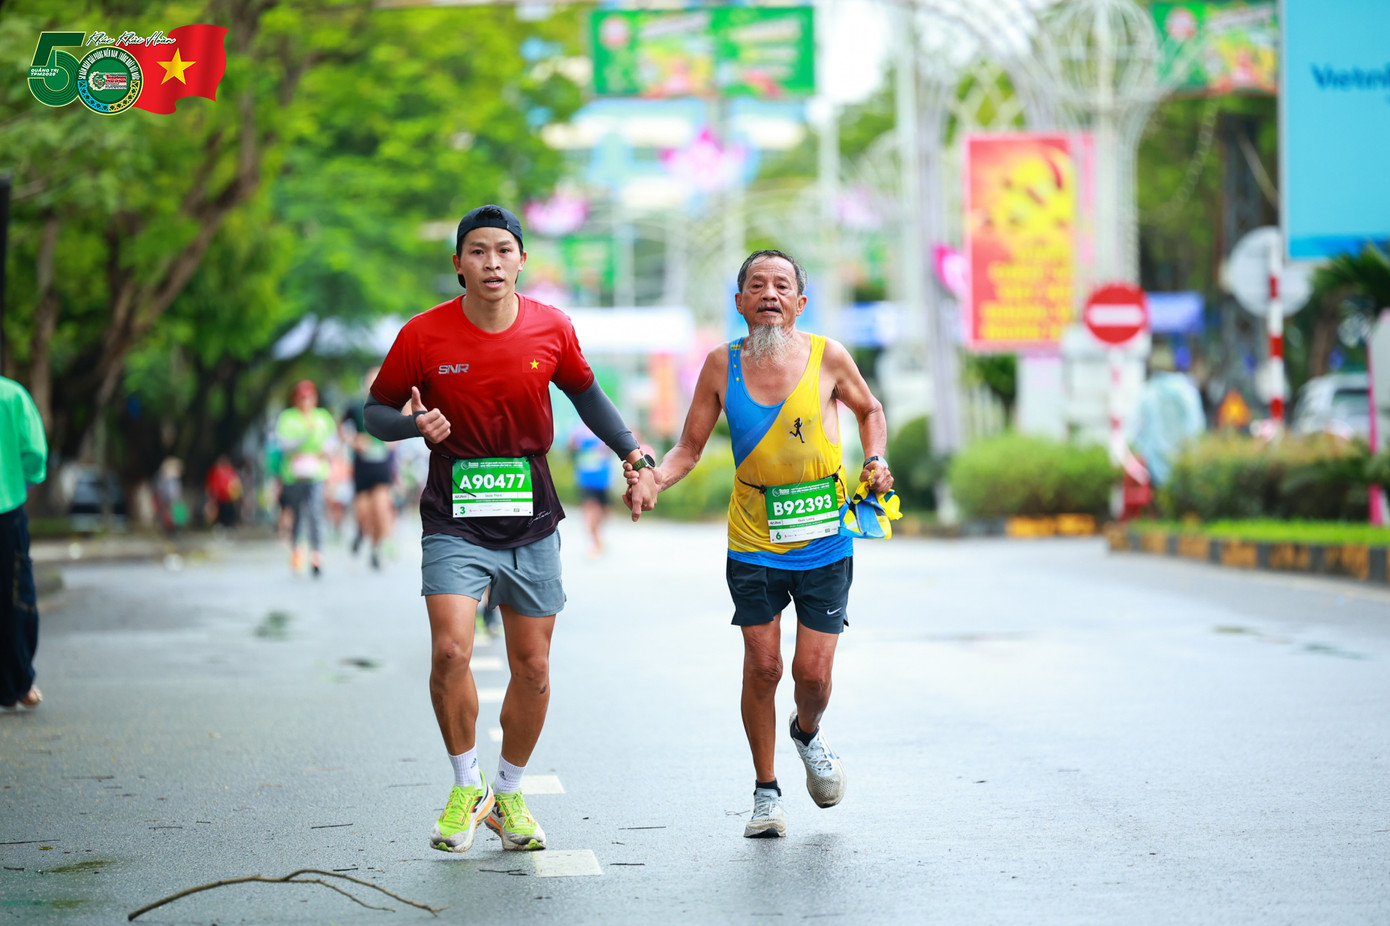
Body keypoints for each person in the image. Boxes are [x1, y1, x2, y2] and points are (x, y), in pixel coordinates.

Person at [361, 203, 657, 855]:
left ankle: (509, 794)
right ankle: (467, 786)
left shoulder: (551, 328)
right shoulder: (423, 335)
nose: (491, 262)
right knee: (451, 652)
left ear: (521, 260)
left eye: (503, 250)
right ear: (459, 264)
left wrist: (633, 454)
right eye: (477, 251)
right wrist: (415, 426)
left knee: (534, 666)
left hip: (530, 516)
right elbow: (374, 411)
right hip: (453, 515)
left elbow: (587, 394)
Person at [623, 249, 893, 839]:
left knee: (812, 677)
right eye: (756, 285)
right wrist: (653, 478)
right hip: (752, 539)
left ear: (799, 303)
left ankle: (807, 732)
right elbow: (688, 448)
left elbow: (871, 411)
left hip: (825, 539)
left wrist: (875, 459)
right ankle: (766, 792)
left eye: (782, 285)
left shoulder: (829, 358)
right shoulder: (722, 367)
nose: (769, 293)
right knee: (764, 664)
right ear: (740, 302)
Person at [0, 376, 48, 710]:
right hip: (5, 507)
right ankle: (17, 685)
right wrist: (21, 479)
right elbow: (34, 453)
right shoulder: (11, 395)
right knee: (13, 598)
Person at [275, 379, 336, 577]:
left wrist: (325, 452)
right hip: (293, 475)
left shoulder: (323, 417)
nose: (306, 401)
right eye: (302, 398)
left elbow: (332, 443)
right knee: (297, 515)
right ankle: (296, 551)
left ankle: (316, 554)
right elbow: (283, 445)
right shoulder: (288, 418)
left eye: (309, 397)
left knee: (316, 512)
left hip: (316, 474)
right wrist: (304, 434)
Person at [342, 366, 398, 570]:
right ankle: (360, 531)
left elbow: (401, 428)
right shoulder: (355, 406)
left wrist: (393, 440)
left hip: (382, 466)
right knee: (364, 514)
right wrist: (354, 440)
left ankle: (376, 548)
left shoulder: (392, 406)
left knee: (381, 510)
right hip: (362, 466)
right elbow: (342, 430)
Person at [568, 421, 615, 558]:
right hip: (586, 480)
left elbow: (612, 449)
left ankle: (598, 534)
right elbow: (571, 449)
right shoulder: (578, 432)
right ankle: (595, 541)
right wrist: (573, 443)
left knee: (604, 511)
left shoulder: (603, 429)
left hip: (603, 480)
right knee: (590, 509)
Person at [203, 454, 243, 529]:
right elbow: (211, 482)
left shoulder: (230, 470)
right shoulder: (216, 470)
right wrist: (211, 493)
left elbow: (235, 482)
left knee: (229, 511)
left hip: (229, 496)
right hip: (219, 496)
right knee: (220, 511)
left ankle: (229, 525)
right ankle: (221, 525)